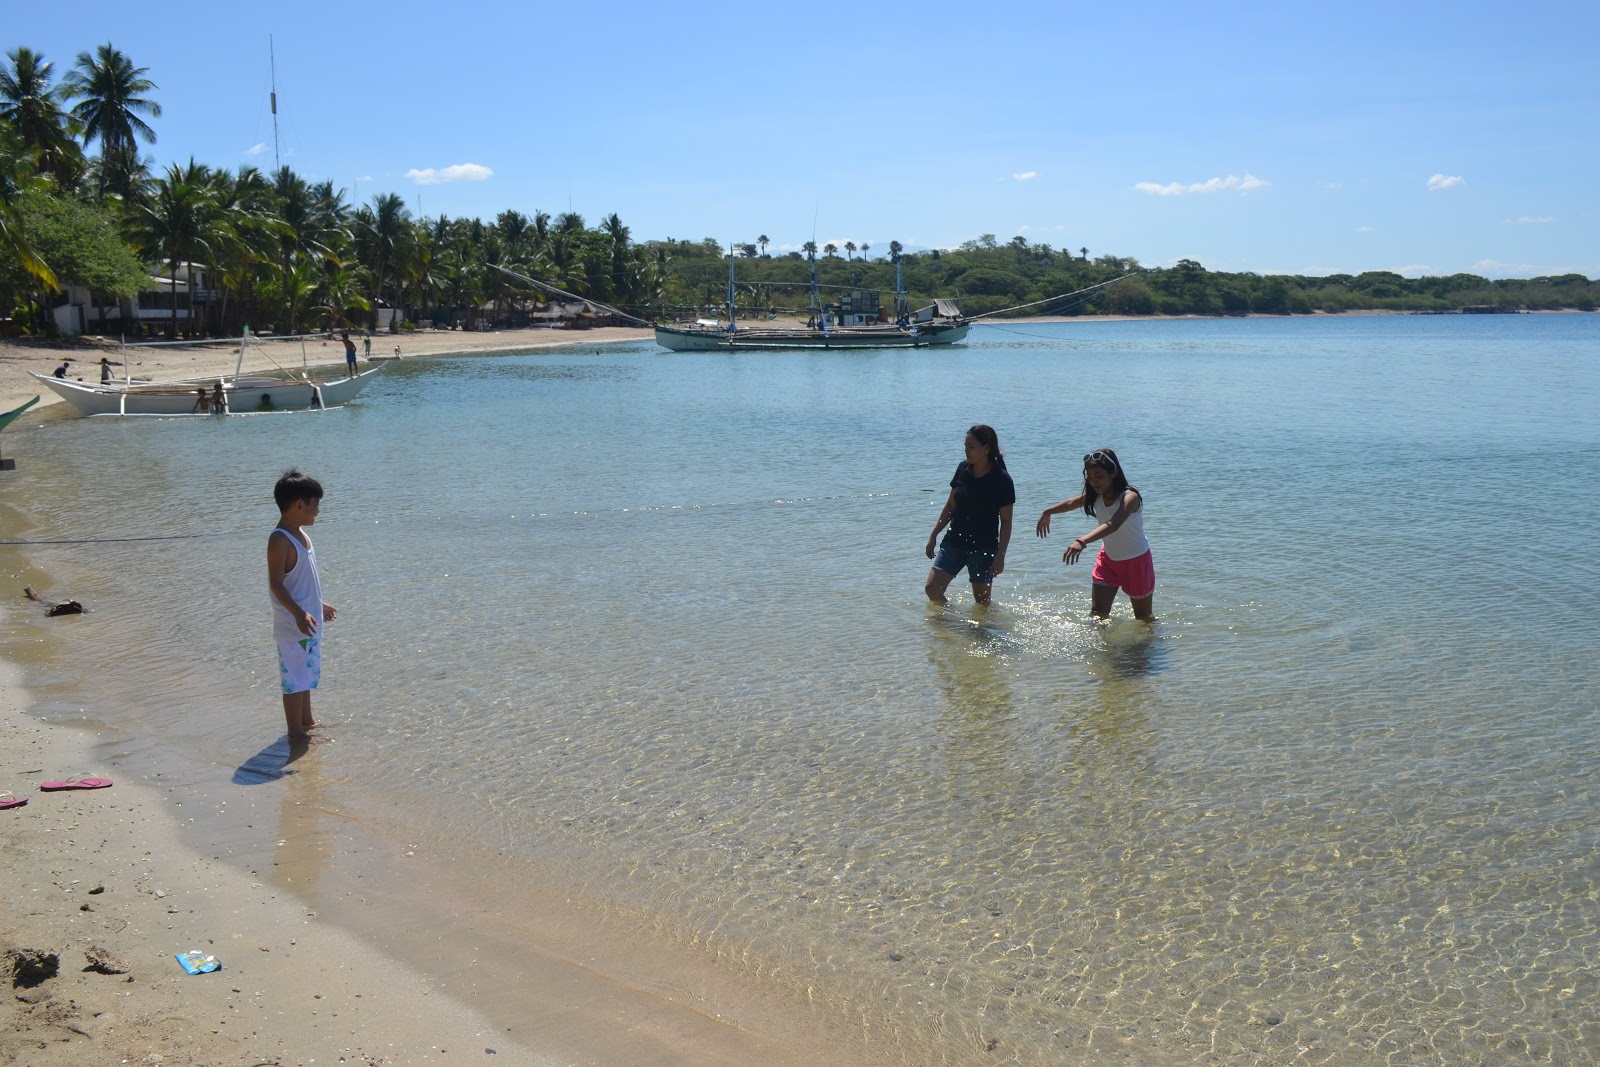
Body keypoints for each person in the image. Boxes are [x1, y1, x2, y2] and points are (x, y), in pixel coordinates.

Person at [1036, 447, 1155, 621]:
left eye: (1099, 476)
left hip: (1136, 561)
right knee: (1097, 616)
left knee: (1143, 619)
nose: (1094, 482)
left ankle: (1145, 648)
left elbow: (1113, 524)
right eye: (1090, 478)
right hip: (1108, 560)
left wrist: (1082, 541)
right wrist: (1048, 512)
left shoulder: (1130, 497)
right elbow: (1071, 503)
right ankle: (1103, 649)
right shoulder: (1096, 496)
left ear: (1113, 473)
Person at [267, 470, 337, 743]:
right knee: (294, 679)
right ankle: (295, 732)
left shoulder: (302, 536)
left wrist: (318, 605)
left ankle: (306, 722)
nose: (318, 511)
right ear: (299, 505)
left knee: (306, 675)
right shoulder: (280, 539)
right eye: (315, 504)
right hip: (292, 624)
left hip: (307, 621)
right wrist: (298, 613)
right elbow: (277, 584)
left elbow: (301, 583)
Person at [924, 424, 1015, 607]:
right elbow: (950, 506)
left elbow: (1006, 523)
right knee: (932, 589)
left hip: (983, 548)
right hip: (954, 542)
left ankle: (979, 632)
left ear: (987, 448)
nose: (966, 451)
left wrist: (1000, 556)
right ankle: (950, 627)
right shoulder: (962, 469)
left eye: (971, 446)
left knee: (982, 604)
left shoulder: (1002, 480)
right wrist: (933, 535)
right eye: (965, 446)